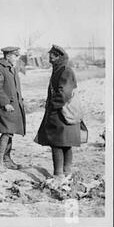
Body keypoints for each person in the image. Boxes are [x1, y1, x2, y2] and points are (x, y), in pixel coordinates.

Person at [35, 45, 80, 180]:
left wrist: (52, 105)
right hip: (62, 112)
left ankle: (59, 174)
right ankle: (66, 173)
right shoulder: (59, 70)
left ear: (59, 57)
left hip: (62, 113)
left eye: (52, 55)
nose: (49, 57)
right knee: (64, 143)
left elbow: (64, 93)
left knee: (57, 143)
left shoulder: (65, 71)